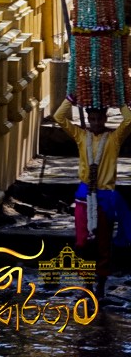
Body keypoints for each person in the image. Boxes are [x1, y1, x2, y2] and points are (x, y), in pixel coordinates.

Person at [52, 94, 131, 298]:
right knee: (82, 243)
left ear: (105, 119)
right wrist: (69, 99)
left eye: (99, 119)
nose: (95, 123)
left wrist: (120, 99)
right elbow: (59, 117)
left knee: (103, 243)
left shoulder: (114, 138)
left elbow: (129, 120)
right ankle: (87, 284)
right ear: (87, 120)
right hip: (84, 196)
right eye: (92, 119)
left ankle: (101, 288)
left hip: (105, 197)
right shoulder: (81, 136)